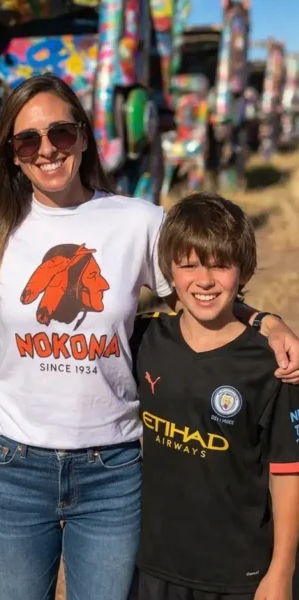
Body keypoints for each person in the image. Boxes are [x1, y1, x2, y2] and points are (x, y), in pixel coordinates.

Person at [0, 74, 299, 600]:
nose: (46, 150)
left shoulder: (138, 222)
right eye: (27, 140)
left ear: (84, 137)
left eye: (61, 133)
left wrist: (266, 321)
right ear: (12, 154)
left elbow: (201, 282)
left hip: (112, 468)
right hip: (13, 469)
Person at [132, 192, 299, 600]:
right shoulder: (143, 338)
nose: (203, 281)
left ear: (244, 273)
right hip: (153, 566)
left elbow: (288, 473)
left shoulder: (272, 365)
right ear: (169, 271)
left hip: (239, 575)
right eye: (187, 266)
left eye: (220, 266)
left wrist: (281, 572)